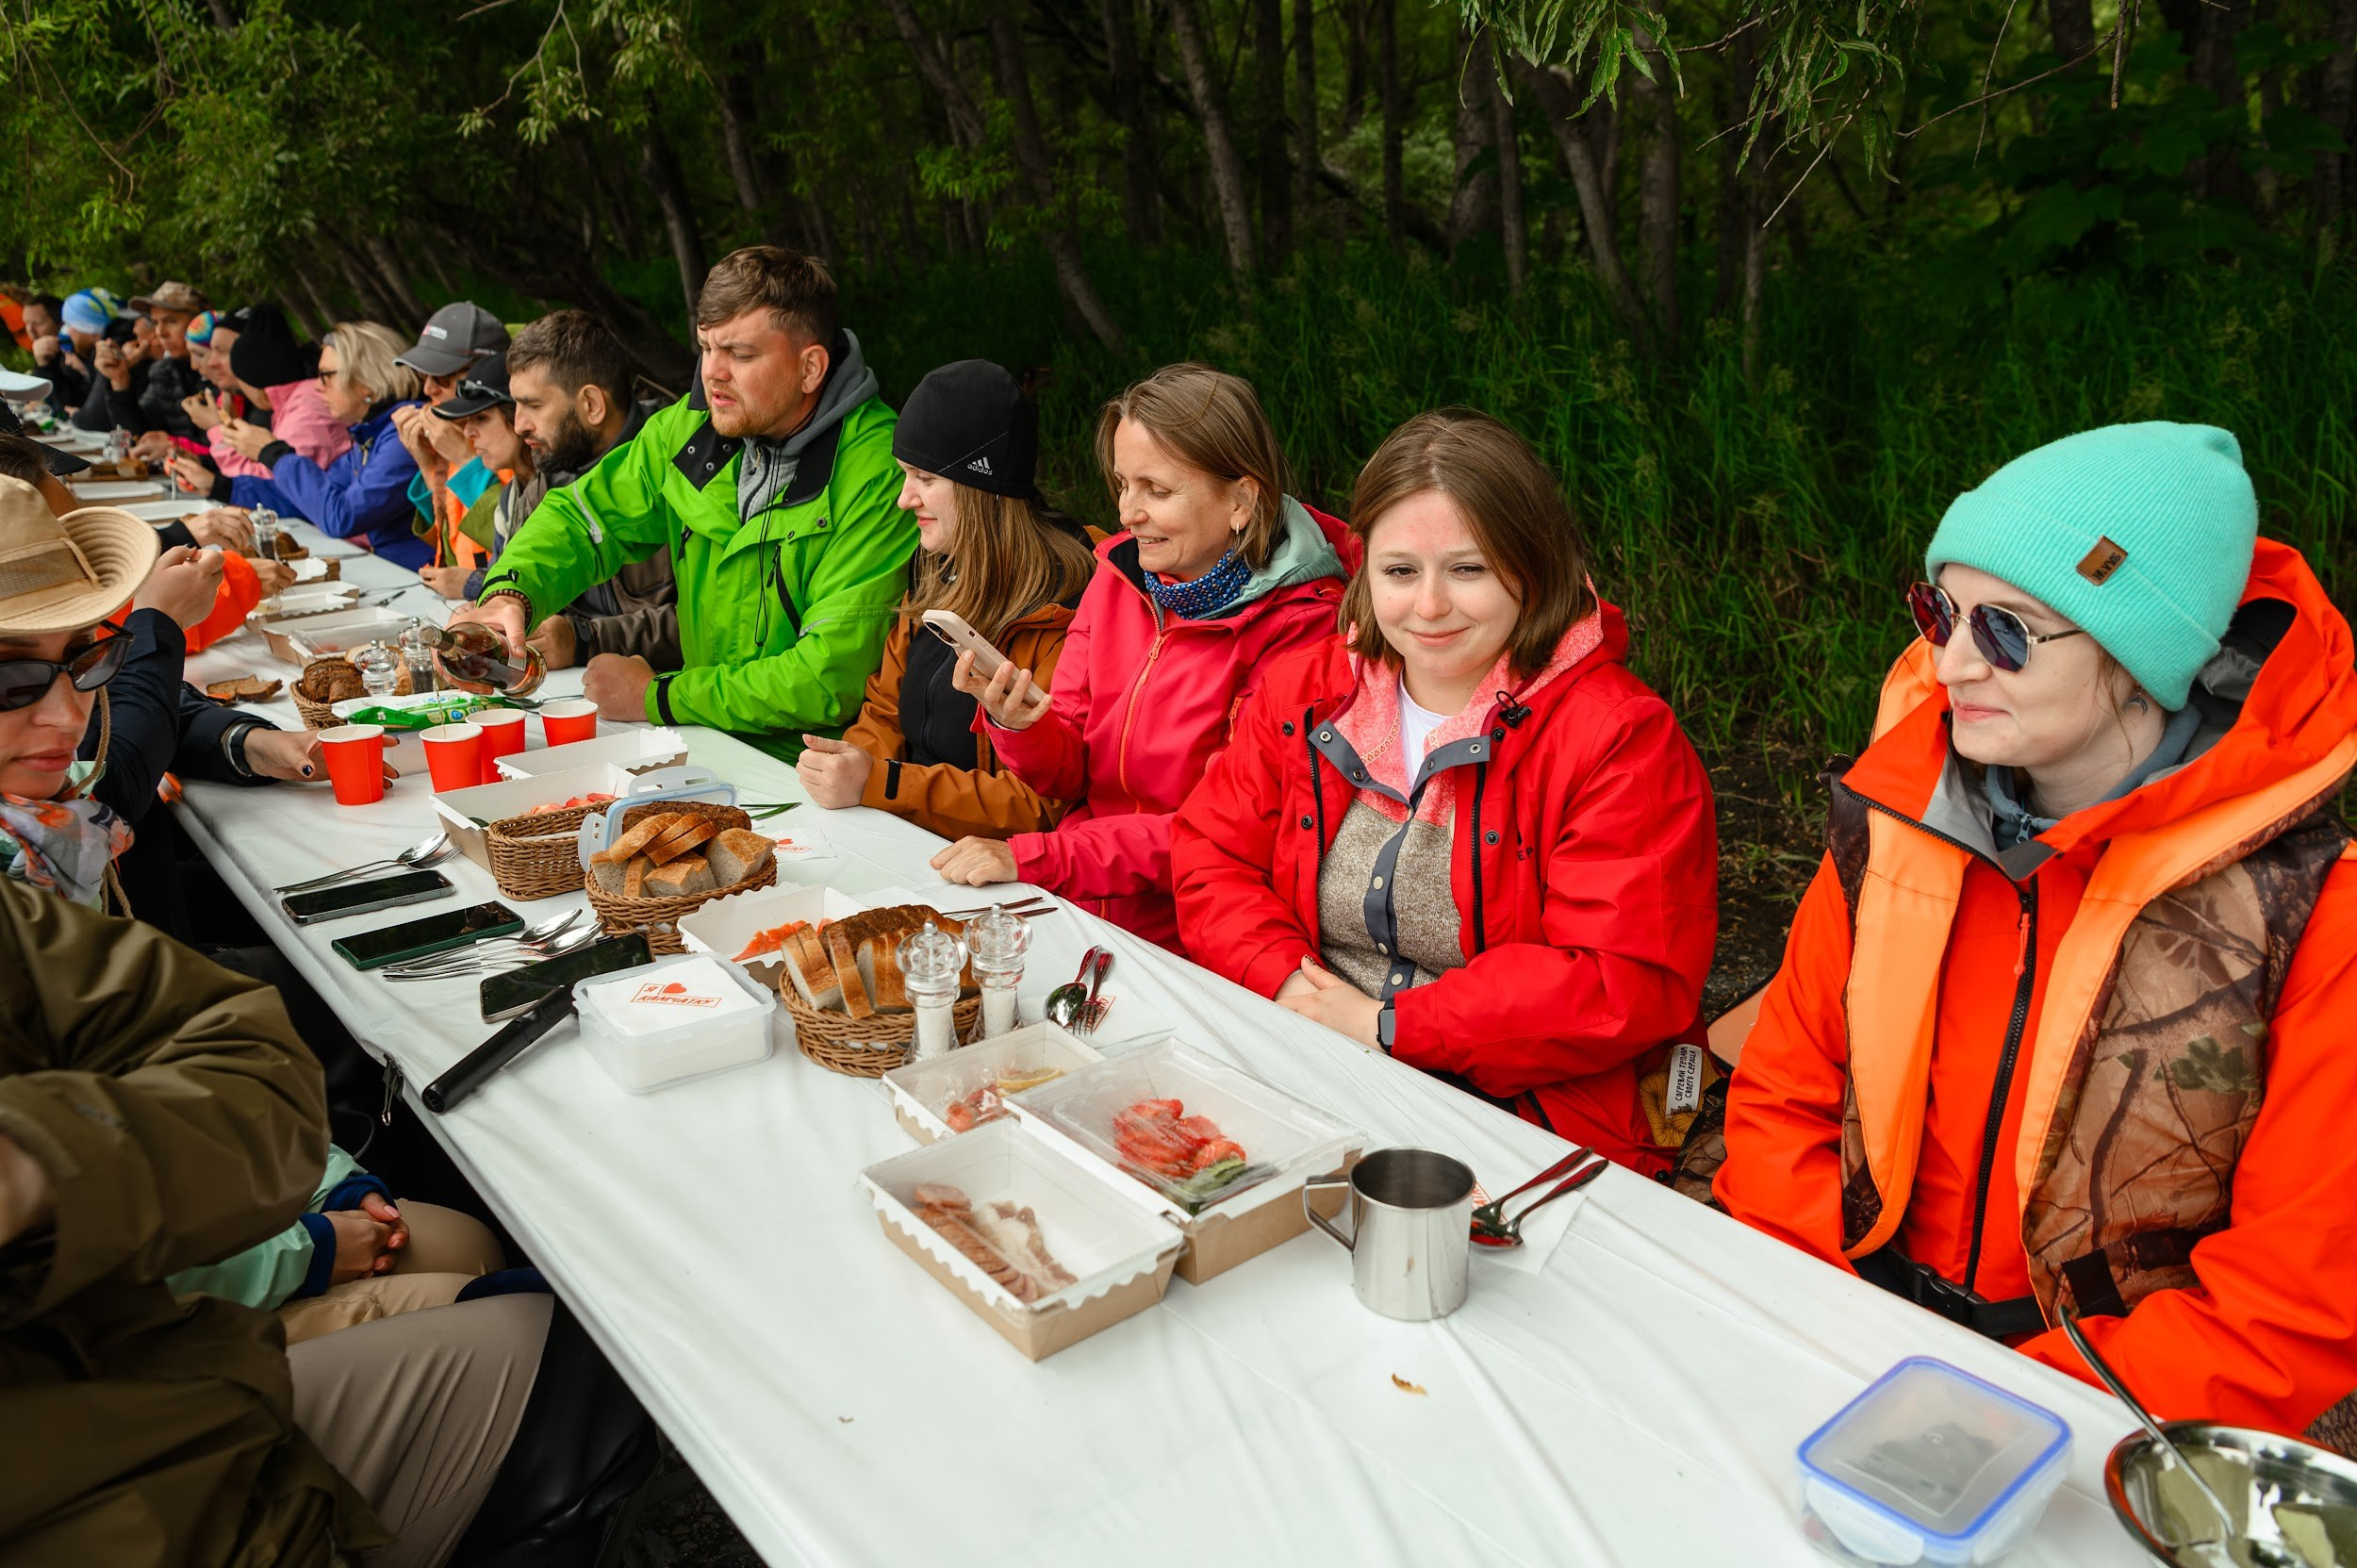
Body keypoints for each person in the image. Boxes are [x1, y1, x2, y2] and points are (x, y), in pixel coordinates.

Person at [1706, 423, 2357, 1449]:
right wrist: (1821, 1320)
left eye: (2005, 630)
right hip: (1847, 1323)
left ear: (2142, 661)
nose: (1951, 659)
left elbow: (2285, 1304)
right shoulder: (1894, 818)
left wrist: (1997, 1407)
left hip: (2110, 1413)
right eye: (1939, 610)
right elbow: (1784, 1092)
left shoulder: (2314, 913)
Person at [1171, 411, 1719, 1171]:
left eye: (1467, 570)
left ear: (1533, 567)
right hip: (1308, 1050)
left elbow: (1620, 977)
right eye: (1399, 572)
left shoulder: (1622, 739)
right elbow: (1209, 852)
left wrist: (1390, 1026)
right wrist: (1288, 983)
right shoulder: (1306, 691)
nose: (1428, 606)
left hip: (1520, 1108)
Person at [0, 884, 552, 1566]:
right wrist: (304, 1252)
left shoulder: (34, 898)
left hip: (151, 1332)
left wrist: (330, 1186)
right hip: (136, 1445)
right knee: (547, 1329)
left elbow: (228, 1045)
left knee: (456, 1240)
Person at [445, 246, 911, 755]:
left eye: (741, 354)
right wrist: (510, 595)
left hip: (818, 775)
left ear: (810, 368)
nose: (713, 372)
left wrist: (656, 697)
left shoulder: (880, 470)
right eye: (707, 348)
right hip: (705, 741)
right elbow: (582, 518)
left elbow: (826, 678)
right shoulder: (687, 428)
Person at [947, 362, 1349, 949]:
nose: (1126, 513)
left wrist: (1038, 857)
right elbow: (1071, 771)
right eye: (1122, 485)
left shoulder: (1303, 630)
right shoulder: (1119, 576)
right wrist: (1020, 724)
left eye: (1157, 491)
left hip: (1202, 937)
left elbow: (1219, 832)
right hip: (1083, 903)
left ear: (1241, 499)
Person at [798, 359, 1096, 841]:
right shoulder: (937, 567)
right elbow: (884, 708)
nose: (904, 498)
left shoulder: (1068, 602)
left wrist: (881, 783)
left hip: (990, 871)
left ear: (985, 488)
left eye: (925, 478)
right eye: (904, 475)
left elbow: (1040, 802)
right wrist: (848, 767)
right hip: (903, 836)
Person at [499, 307, 680, 670]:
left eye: (533, 405)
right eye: (515, 405)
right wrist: (500, 607)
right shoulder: (549, 473)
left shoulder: (684, 466)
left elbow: (713, 622)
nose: (518, 425)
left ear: (592, 405)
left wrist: (586, 639)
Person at [211, 320, 434, 569]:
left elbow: (343, 516)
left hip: (416, 576)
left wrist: (273, 454)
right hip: (393, 569)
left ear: (366, 381)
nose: (317, 386)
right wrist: (219, 486)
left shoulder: (403, 432)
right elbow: (308, 500)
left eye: (326, 376)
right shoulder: (370, 432)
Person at [392, 302, 509, 577]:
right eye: (423, 374)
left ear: (483, 371)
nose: (428, 388)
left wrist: (467, 463)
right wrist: (428, 466)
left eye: (442, 376)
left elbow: (523, 541)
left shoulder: (518, 434)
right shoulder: (453, 433)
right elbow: (449, 544)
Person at [104, 279, 210, 442]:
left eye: (170, 321)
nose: (160, 332)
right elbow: (137, 437)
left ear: (201, 323)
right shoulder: (164, 371)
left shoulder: (224, 371)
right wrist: (119, 380)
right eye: (155, 323)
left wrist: (174, 447)